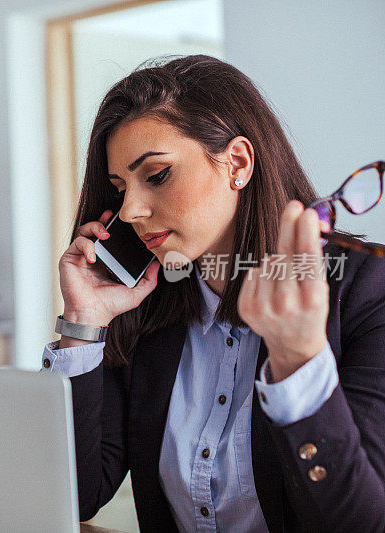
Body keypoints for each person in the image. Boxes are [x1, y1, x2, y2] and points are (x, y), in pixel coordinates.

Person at [43, 55, 385, 531]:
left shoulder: (369, 294)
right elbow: (73, 497)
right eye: (120, 187)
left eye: (157, 175)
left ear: (238, 162)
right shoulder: (151, 304)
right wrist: (83, 323)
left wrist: (299, 363)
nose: (130, 211)